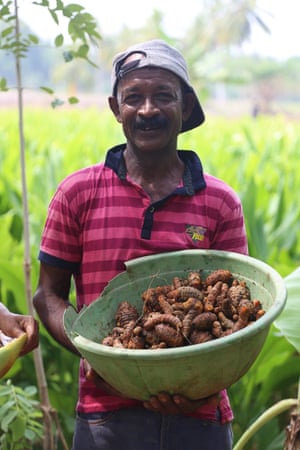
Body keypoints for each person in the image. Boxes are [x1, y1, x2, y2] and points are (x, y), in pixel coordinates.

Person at [33, 39, 248, 450]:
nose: (147, 110)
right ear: (116, 109)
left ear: (185, 106)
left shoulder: (220, 202)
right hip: (105, 416)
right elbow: (48, 294)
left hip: (200, 417)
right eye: (134, 97)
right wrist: (95, 349)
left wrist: (202, 383)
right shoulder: (78, 193)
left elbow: (239, 316)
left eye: (162, 96)